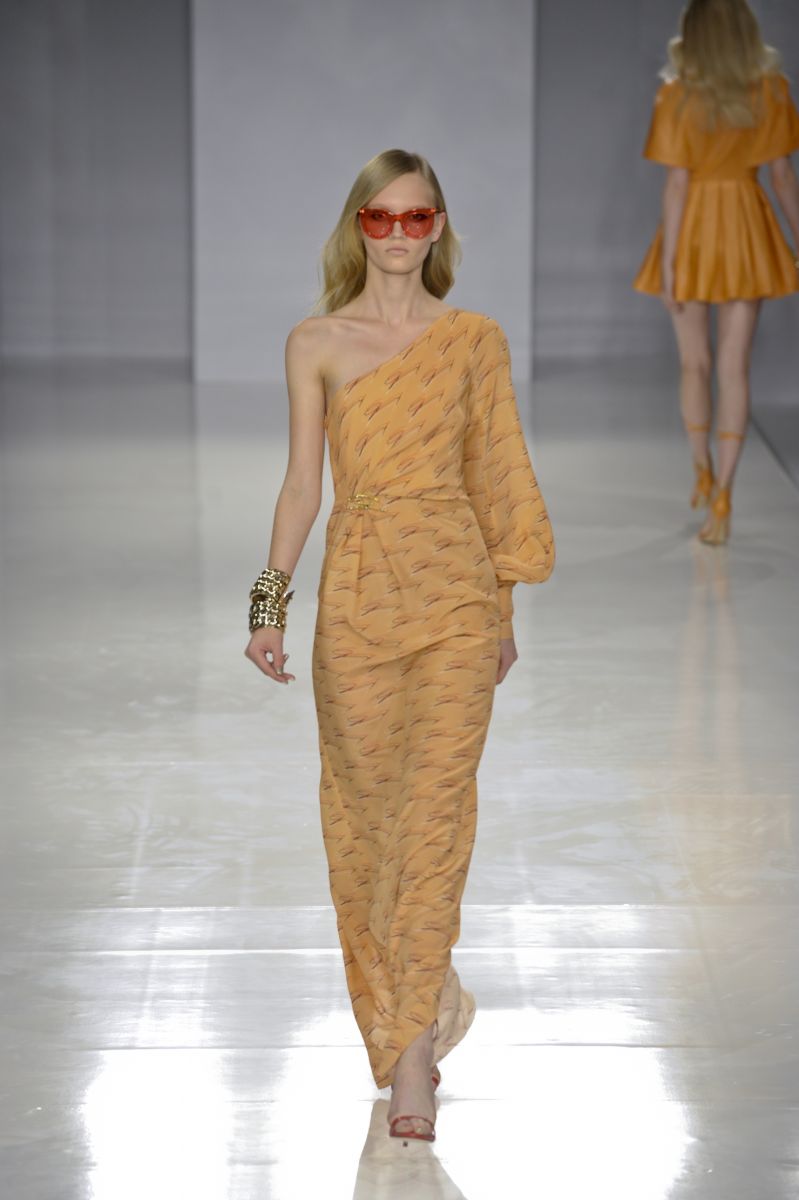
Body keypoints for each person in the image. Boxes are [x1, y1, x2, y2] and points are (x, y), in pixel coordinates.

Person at [244, 148, 554, 1142]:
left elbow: (497, 475)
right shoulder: (315, 343)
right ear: (356, 227)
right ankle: (418, 998)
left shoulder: (472, 341)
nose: (397, 236)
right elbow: (303, 485)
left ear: (438, 228)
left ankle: (411, 1056)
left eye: (416, 218)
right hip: (358, 602)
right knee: (365, 824)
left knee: (433, 822)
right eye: (379, 218)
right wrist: (268, 604)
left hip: (455, 596)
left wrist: (502, 610)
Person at [634, 0, 799, 544]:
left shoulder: (678, 93)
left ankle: (701, 467)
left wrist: (671, 265)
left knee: (694, 363)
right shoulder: (770, 90)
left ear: (694, 33)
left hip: (694, 229)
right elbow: (783, 177)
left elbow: (677, 183)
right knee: (733, 367)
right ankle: (725, 492)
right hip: (746, 226)